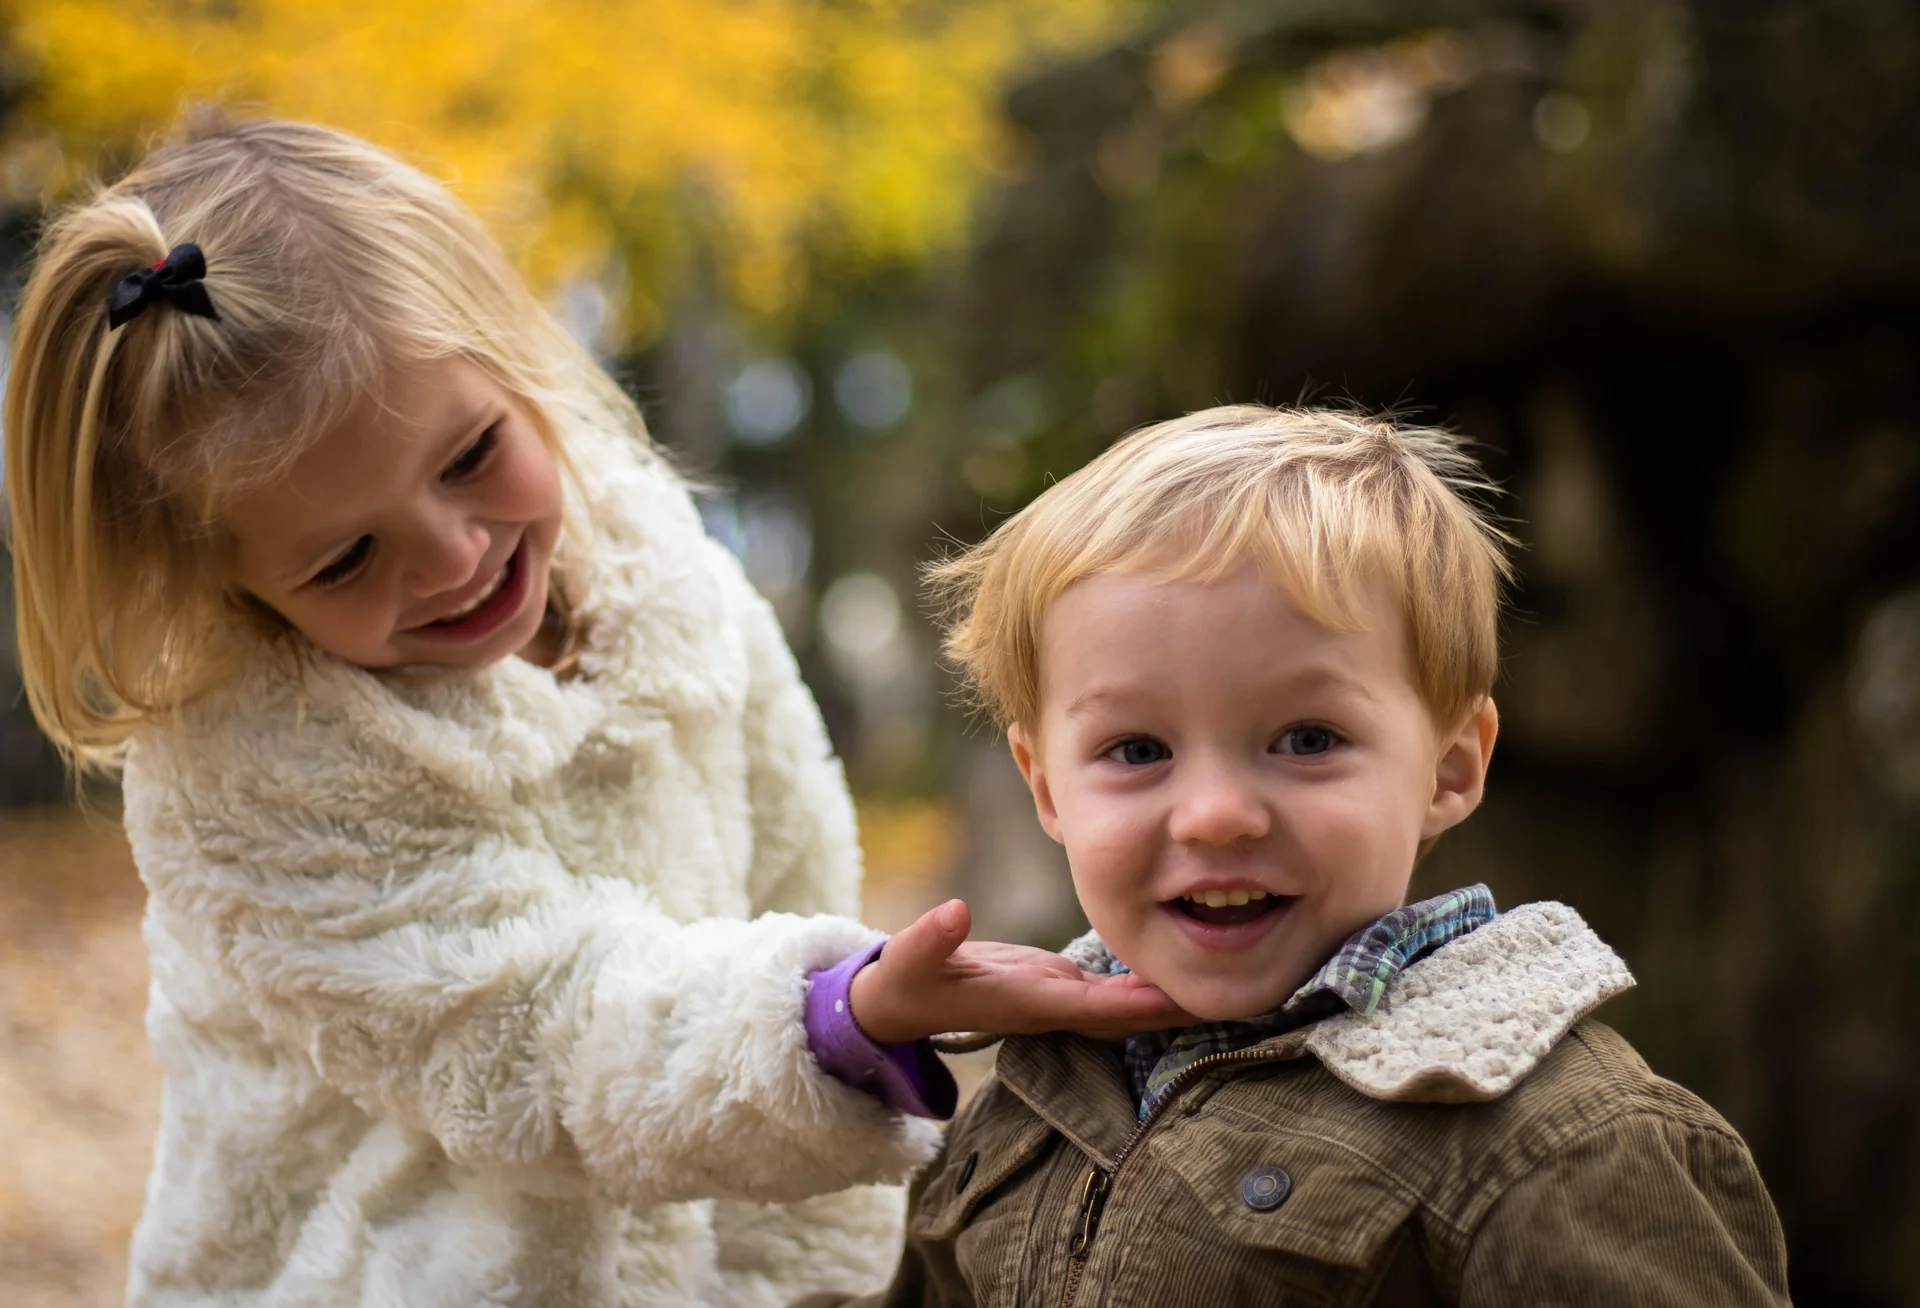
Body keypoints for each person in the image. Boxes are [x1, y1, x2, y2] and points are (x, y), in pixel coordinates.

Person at [1, 114, 1183, 1308]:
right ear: (231, 585)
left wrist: (809, 1255)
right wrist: (834, 1019)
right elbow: (532, 1043)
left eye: (470, 454)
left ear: (518, 361)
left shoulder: (659, 577)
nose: (453, 558)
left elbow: (791, 856)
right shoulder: (250, 771)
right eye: (347, 557)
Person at [801, 406, 1792, 1306]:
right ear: (1047, 786)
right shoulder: (1035, 1090)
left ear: (1448, 769)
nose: (1218, 816)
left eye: (1307, 740)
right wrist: (841, 1025)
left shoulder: (1562, 1145)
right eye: (1138, 751)